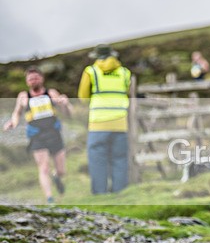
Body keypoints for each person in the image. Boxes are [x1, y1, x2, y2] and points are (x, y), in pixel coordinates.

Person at [3, 67, 72, 203]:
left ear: (41, 78)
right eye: (30, 79)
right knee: (43, 167)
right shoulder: (23, 96)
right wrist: (13, 123)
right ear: (27, 82)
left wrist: (65, 103)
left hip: (53, 133)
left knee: (61, 170)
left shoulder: (51, 93)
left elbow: (67, 113)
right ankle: (49, 198)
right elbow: (17, 113)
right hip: (36, 135)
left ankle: (56, 176)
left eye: (35, 78)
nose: (33, 81)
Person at [78, 44, 132, 194]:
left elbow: (83, 97)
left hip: (98, 123)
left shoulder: (91, 71)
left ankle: (100, 193)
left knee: (97, 160)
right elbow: (127, 92)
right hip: (120, 123)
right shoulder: (124, 72)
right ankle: (120, 192)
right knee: (119, 159)